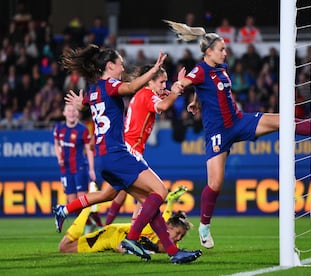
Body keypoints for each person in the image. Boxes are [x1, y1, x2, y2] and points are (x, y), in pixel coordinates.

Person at [163, 20, 311, 249]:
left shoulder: (221, 68)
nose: (226, 52)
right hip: (218, 133)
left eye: (225, 49)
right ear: (209, 52)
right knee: (215, 184)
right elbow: (186, 82)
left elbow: (204, 89)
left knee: (284, 120)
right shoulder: (200, 69)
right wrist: (177, 86)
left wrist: (196, 102)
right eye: (221, 49)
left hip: (239, 121)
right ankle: (204, 226)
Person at [54, 44, 201, 264]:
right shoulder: (113, 85)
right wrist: (154, 71)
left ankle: (173, 252)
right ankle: (131, 238)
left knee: (141, 201)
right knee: (159, 190)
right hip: (119, 153)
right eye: (120, 64)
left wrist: (80, 103)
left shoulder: (94, 89)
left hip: (106, 157)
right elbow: (131, 87)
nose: (122, 68)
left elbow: (89, 102)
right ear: (110, 66)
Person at [105, 64, 186, 225]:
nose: (164, 85)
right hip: (130, 150)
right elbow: (163, 105)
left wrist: (175, 89)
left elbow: (165, 99)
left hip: (127, 148)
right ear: (150, 82)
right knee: (155, 192)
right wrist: (176, 90)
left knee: (111, 194)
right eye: (162, 82)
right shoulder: (147, 95)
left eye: (166, 82)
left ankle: (67, 210)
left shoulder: (144, 93)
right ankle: (132, 235)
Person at [59, 186, 191, 255]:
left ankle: (89, 208)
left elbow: (163, 247)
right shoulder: (154, 226)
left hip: (115, 239)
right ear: (168, 227)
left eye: (182, 236)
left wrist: (171, 202)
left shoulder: (170, 243)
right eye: (178, 232)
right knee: (64, 247)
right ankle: (87, 209)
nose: (179, 238)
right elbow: (120, 247)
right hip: (109, 236)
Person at [53, 103, 102, 231]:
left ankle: (85, 228)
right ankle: (89, 224)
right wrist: (59, 158)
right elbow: (56, 144)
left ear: (78, 113)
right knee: (72, 203)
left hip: (80, 168)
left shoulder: (83, 129)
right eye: (69, 110)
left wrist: (91, 169)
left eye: (74, 110)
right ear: (64, 113)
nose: (71, 113)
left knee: (81, 200)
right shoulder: (59, 129)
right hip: (66, 170)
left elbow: (89, 150)